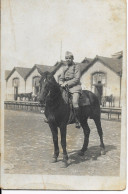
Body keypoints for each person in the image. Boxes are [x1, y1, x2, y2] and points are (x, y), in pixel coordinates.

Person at [59, 51, 82, 128]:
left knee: (75, 101)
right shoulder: (64, 68)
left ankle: (77, 120)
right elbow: (61, 78)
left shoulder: (76, 66)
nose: (68, 59)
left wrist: (66, 83)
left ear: (72, 58)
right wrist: (61, 83)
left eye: (69, 58)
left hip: (75, 87)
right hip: (65, 87)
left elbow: (77, 79)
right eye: (66, 58)